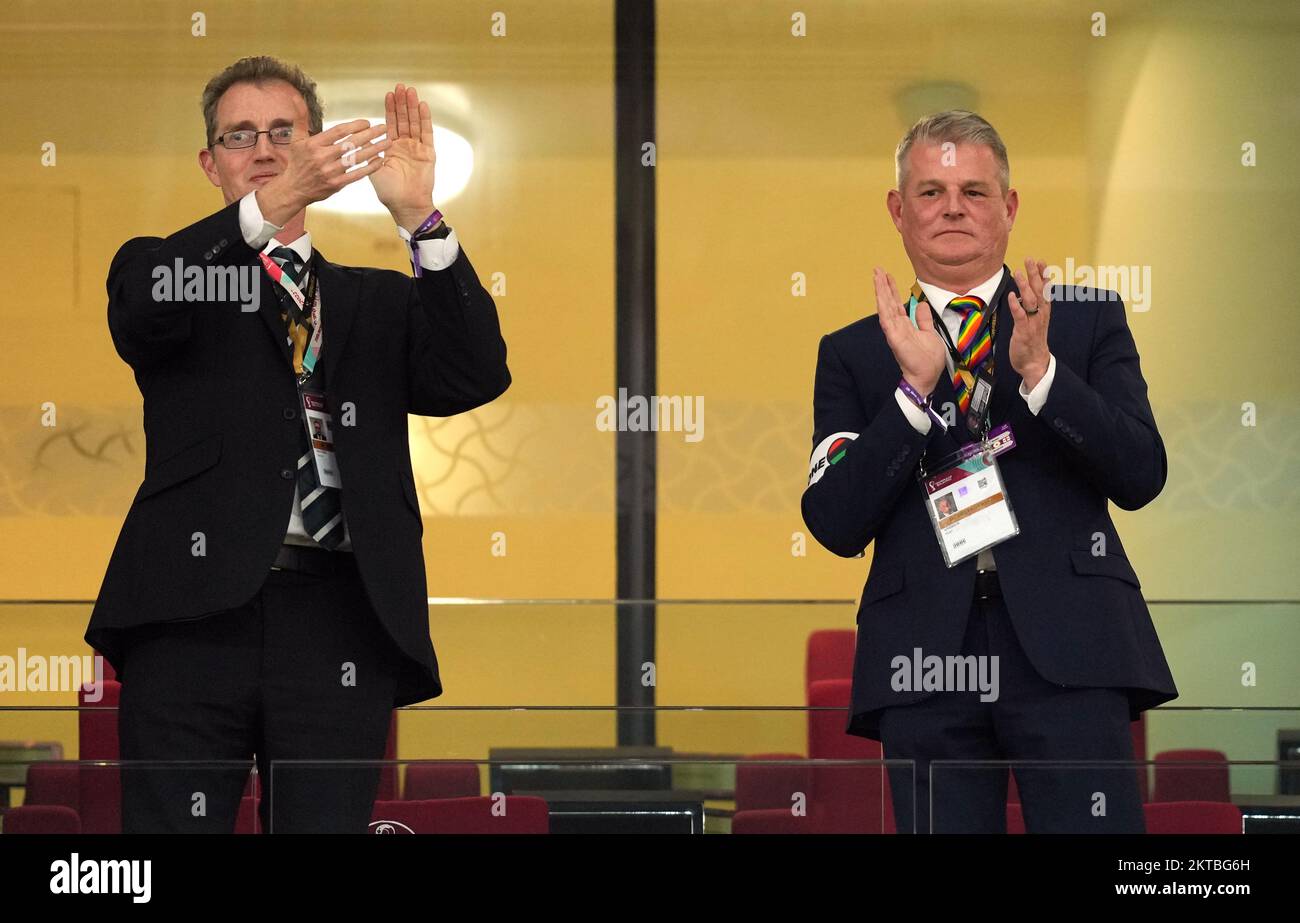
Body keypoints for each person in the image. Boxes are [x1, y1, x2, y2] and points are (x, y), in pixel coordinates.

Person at [85, 56, 510, 833]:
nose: (265, 148)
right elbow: (140, 310)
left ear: (319, 145)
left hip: (341, 617)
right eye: (240, 135)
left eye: (285, 131)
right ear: (209, 164)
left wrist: (420, 217)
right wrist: (268, 207)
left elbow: (474, 372)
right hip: (189, 615)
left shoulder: (376, 300)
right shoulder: (176, 272)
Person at [800, 110, 1176, 833]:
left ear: (1009, 207)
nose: (952, 208)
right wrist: (911, 398)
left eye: (974, 191)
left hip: (1074, 649)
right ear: (897, 210)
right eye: (931, 191)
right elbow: (834, 521)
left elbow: (1141, 473)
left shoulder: (1083, 322)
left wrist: (1043, 377)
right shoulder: (854, 351)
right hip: (923, 661)